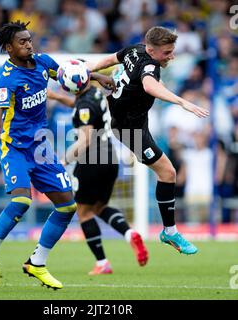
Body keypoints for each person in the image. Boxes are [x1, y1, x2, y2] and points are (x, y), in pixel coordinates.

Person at [0, 21, 113, 290]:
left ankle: (36, 263)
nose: (29, 44)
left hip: (41, 147)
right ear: (9, 48)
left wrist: (97, 77)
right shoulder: (8, 77)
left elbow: (69, 74)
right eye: (22, 41)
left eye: (29, 39)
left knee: (67, 206)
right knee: (21, 201)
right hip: (14, 147)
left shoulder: (43, 62)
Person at [85, 26, 210, 255]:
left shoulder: (136, 49)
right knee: (168, 173)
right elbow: (149, 85)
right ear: (151, 50)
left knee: (166, 172)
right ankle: (169, 232)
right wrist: (183, 103)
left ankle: (169, 231)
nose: (171, 56)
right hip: (128, 129)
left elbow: (112, 58)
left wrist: (89, 69)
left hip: (134, 121)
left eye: (172, 51)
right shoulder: (150, 65)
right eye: (167, 52)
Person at [48, 84, 148, 275]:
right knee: (99, 207)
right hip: (110, 158)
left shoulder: (84, 104)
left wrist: (63, 160)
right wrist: (56, 96)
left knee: (84, 212)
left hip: (92, 160)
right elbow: (79, 106)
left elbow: (84, 139)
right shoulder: (94, 93)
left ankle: (102, 263)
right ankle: (130, 234)